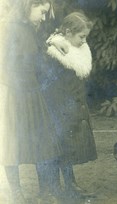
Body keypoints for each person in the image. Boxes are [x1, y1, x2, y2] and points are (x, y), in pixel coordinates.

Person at [0, 0, 61, 203]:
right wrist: (16, 87)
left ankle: (44, 191)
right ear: (29, 6)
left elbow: (37, 61)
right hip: (15, 94)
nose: (44, 18)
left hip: (33, 92)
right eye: (42, 12)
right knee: (12, 144)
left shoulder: (31, 29)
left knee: (42, 140)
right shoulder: (9, 29)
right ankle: (17, 194)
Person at [38, 11, 97, 199]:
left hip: (72, 105)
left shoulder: (78, 50)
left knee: (68, 148)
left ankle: (71, 185)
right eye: (81, 36)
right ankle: (53, 189)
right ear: (68, 32)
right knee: (55, 149)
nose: (84, 41)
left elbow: (76, 83)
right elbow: (49, 85)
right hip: (56, 107)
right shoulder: (54, 53)